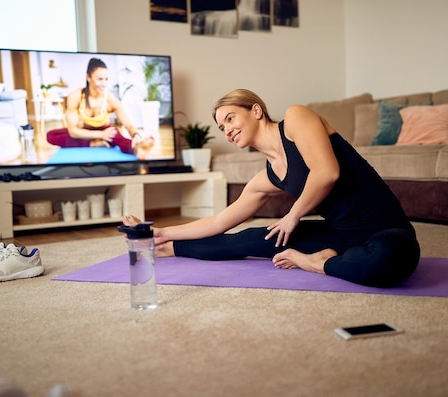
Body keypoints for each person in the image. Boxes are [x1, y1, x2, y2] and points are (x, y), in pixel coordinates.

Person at [123, 89, 420, 288]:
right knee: (249, 240)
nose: (227, 130)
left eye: (230, 119)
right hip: (341, 234)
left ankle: (316, 263)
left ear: (256, 110)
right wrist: (161, 232)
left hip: (386, 229)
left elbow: (327, 172)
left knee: (389, 261)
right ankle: (165, 249)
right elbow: (219, 222)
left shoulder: (296, 119)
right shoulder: (268, 177)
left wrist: (292, 215)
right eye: (221, 127)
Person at [46, 58, 154, 159]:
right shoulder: (75, 97)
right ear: (88, 77)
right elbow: (73, 131)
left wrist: (136, 135)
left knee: (118, 138)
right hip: (86, 132)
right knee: (51, 135)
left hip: (106, 131)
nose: (104, 84)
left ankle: (137, 149)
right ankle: (93, 144)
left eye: (106, 79)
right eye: (100, 79)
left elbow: (129, 125)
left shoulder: (111, 100)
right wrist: (100, 135)